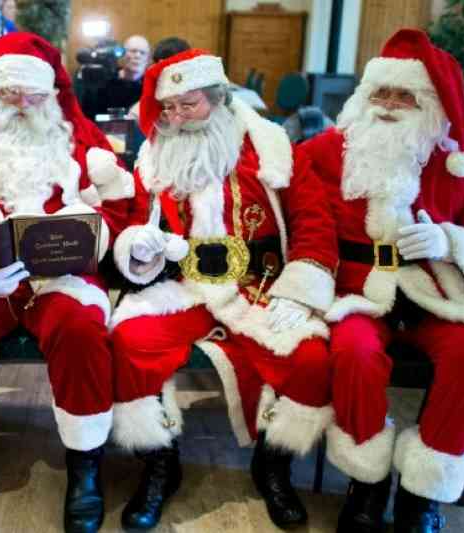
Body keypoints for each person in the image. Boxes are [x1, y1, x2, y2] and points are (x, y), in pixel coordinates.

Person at [108, 49, 339, 531]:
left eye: (187, 105)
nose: (175, 118)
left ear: (220, 97)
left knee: (311, 356)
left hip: (261, 286)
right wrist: (140, 247)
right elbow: (133, 222)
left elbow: (313, 221)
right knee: (129, 340)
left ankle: (273, 466)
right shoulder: (154, 156)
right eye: (168, 108)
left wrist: (299, 291)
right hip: (183, 286)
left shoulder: (273, 148)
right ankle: (159, 464)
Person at [0, 32, 136, 533]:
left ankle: (85, 468)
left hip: (64, 279)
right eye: (8, 94)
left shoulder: (84, 144)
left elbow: (123, 209)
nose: (19, 105)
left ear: (51, 95)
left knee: (81, 328)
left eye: (31, 95)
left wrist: (90, 236)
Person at [301, 29, 464, 533]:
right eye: (381, 93)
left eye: (406, 96)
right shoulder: (325, 153)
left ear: (432, 105)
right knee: (353, 353)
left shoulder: (462, 167)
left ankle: (424, 494)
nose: (391, 105)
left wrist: (451, 242)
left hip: (436, 294)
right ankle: (366, 483)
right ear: (363, 97)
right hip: (356, 292)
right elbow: (289, 212)